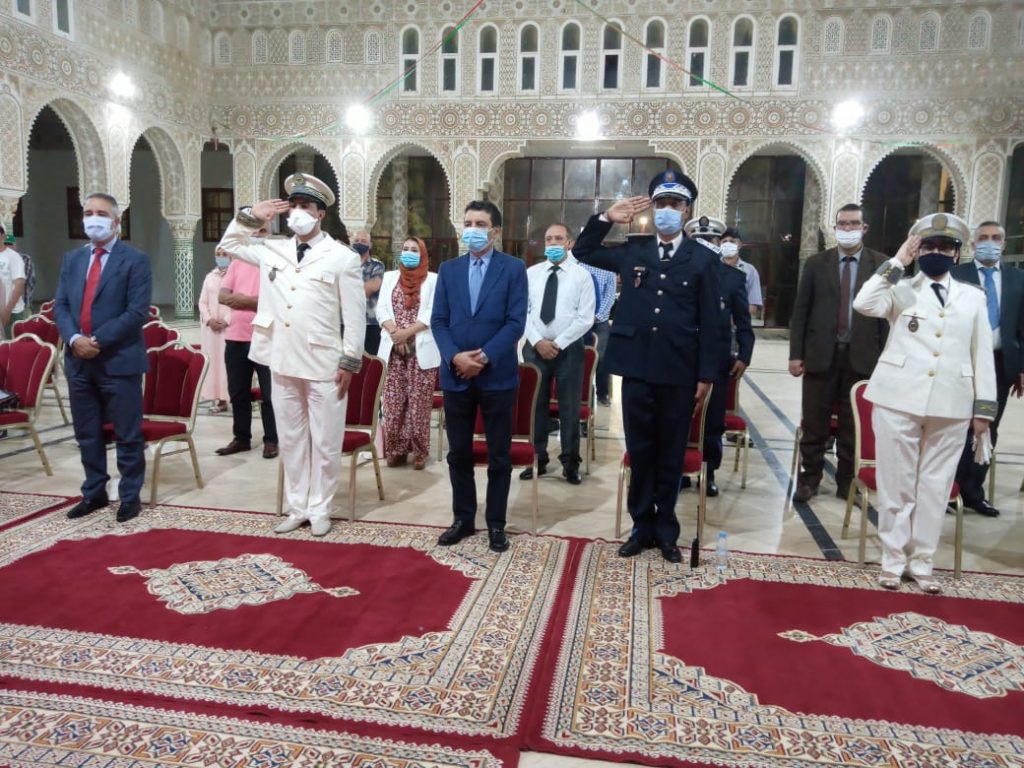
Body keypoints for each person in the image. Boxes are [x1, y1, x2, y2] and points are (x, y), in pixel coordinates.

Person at [573, 170, 720, 563]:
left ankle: (666, 530)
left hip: (679, 371)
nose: (667, 210)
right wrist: (607, 217)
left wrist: (706, 375)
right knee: (640, 451)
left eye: (675, 204)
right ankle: (641, 527)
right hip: (637, 368)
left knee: (671, 454)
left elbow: (712, 323)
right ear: (653, 209)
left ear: (686, 210)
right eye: (661, 203)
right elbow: (583, 252)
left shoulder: (703, 259)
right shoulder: (633, 251)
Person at [853, 213, 995, 594]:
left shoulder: (973, 298)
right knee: (896, 484)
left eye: (945, 247)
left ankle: (922, 562)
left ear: (957, 254)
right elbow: (863, 303)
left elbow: (982, 354)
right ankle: (892, 560)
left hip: (952, 402)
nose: (937, 252)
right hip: (898, 399)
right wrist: (898, 261)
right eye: (928, 246)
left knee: (935, 487)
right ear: (918, 250)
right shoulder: (900, 288)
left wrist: (984, 409)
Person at [218, 173, 365, 537]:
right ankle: (298, 506)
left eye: (306, 206)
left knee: (326, 441)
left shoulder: (342, 257)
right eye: (293, 206)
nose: (298, 212)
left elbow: (354, 315)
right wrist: (252, 215)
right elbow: (229, 244)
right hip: (282, 359)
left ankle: (320, 508)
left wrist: (350, 359)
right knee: (292, 439)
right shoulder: (273, 249)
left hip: (323, 362)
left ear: (321, 214)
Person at [431, 200, 528, 553]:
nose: (472, 229)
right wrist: (455, 356)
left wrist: (483, 357)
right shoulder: (449, 269)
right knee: (458, 453)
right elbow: (439, 320)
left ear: (495, 231)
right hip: (456, 374)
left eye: (480, 224)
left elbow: (515, 322)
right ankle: (463, 518)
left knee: (499, 455)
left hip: (497, 376)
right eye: (468, 223)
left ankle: (496, 524)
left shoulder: (513, 268)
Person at [53, 192, 152, 523]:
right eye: (88, 213)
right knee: (87, 433)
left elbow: (137, 312)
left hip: (118, 360)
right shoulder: (73, 259)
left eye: (101, 213)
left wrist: (97, 340)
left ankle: (129, 496)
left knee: (127, 434)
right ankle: (93, 492)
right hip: (79, 361)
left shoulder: (135, 260)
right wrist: (74, 339)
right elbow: (61, 305)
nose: (93, 219)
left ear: (116, 221)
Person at [788, 204, 889, 503]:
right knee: (814, 422)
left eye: (853, 223)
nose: (847, 229)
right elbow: (801, 310)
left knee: (852, 425)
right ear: (835, 228)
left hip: (863, 357)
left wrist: (886, 361)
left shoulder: (881, 265)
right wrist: (796, 354)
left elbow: (886, 317)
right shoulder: (816, 264)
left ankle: (847, 483)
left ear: (864, 228)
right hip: (821, 355)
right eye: (842, 224)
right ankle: (809, 479)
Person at [951, 221, 1024, 518]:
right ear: (972, 244)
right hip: (962, 363)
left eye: (995, 238)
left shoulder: (1018, 279)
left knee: (987, 428)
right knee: (957, 427)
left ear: (1004, 244)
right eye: (983, 238)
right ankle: (950, 489)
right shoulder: (956, 275)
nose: (989, 243)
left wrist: (1021, 367)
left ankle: (973, 493)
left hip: (1000, 365)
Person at [520, 223, 595, 486]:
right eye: (548, 239)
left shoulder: (582, 276)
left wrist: (558, 343)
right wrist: (538, 341)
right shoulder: (531, 274)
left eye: (558, 239)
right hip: (535, 349)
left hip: (569, 350)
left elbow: (585, 318)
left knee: (569, 408)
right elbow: (522, 312)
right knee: (535, 407)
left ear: (569, 243)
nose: (553, 243)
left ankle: (570, 463)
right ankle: (536, 459)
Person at [684, 216, 754, 497]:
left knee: (713, 421)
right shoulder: (679, 272)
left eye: (710, 241)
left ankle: (709, 471)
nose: (705, 246)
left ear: (718, 243)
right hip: (682, 358)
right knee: (679, 417)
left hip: (716, 360)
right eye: (698, 241)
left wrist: (745, 355)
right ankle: (680, 471)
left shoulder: (733, 278)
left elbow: (744, 323)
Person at [377, 236, 439, 470]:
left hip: (420, 349)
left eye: (414, 249)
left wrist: (407, 333)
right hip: (392, 349)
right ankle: (396, 450)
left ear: (422, 254)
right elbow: (381, 309)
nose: (409, 253)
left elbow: (433, 312)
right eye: (405, 249)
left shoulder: (433, 279)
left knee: (418, 404)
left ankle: (420, 452)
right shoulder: (389, 277)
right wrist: (396, 334)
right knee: (393, 404)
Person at [217, 220, 278, 459]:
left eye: (262, 231)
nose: (258, 235)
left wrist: (244, 301)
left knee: (269, 394)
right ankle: (241, 438)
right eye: (254, 231)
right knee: (238, 392)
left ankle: (272, 440)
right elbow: (223, 295)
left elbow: (278, 299)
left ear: (270, 233)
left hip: (266, 336)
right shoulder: (237, 262)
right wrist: (252, 302)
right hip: (236, 336)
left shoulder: (275, 262)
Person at [579, 260, 617, 406]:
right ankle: (582, 393)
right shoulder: (578, 265)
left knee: (601, 357)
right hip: (579, 320)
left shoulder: (608, 268)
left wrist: (597, 316)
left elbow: (610, 296)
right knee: (579, 356)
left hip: (600, 321)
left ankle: (602, 394)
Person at [198, 248, 231, 413]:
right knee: (214, 364)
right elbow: (202, 302)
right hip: (211, 330)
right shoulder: (210, 277)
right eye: (218, 254)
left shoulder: (235, 276)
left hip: (229, 329)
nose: (221, 257)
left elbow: (239, 302)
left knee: (226, 364)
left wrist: (227, 320)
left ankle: (229, 397)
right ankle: (219, 399)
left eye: (224, 254)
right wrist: (209, 319)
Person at [351, 229, 385, 355]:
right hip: (347, 323)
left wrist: (346, 289)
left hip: (370, 324)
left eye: (363, 241)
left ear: (370, 245)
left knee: (371, 362)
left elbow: (373, 287)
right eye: (356, 240)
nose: (359, 243)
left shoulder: (377, 265)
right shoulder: (344, 264)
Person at [720, 228, 763, 318]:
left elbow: (753, 306)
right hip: (713, 323)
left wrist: (731, 319)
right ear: (720, 244)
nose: (728, 244)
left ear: (740, 245)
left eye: (732, 241)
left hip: (738, 324)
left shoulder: (750, 271)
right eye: (724, 241)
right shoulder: (711, 268)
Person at [0, 225, 26, 339]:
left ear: (3, 236)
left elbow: (19, 285)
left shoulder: (13, 257)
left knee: (10, 346)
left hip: (12, 312)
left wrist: (7, 310)